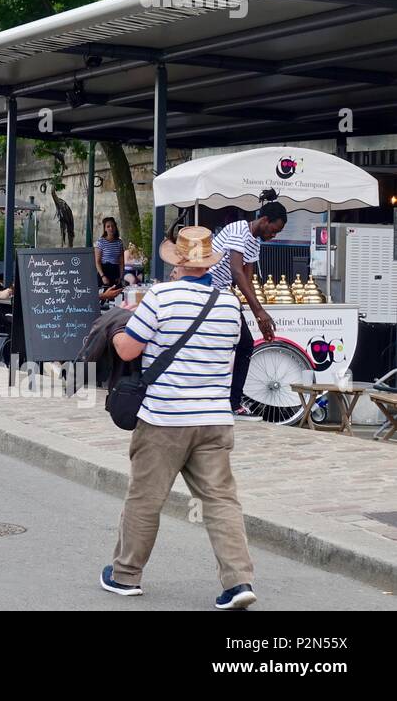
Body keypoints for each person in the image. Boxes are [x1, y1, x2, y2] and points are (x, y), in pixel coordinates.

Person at [101, 225, 256, 610]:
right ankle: (239, 583)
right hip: (215, 418)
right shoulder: (229, 304)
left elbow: (126, 349)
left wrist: (122, 321)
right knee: (221, 502)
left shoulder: (160, 296)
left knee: (145, 498)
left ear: (178, 262)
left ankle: (125, 575)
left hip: (165, 418)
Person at [209, 189, 288, 419]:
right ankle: (228, 401)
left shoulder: (255, 242)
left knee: (245, 345)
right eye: (274, 230)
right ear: (264, 221)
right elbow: (236, 271)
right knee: (236, 345)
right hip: (210, 290)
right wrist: (259, 311)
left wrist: (258, 316)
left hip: (223, 294)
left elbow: (248, 279)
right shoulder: (238, 230)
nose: (274, 236)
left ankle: (232, 402)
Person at [95, 216, 124, 288]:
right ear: (105, 229)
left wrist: (121, 277)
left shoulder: (119, 242)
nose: (111, 228)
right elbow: (97, 261)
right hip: (104, 270)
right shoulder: (100, 242)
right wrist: (103, 276)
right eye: (108, 226)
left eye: (113, 226)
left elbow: (121, 262)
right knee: (104, 296)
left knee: (116, 295)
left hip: (115, 271)